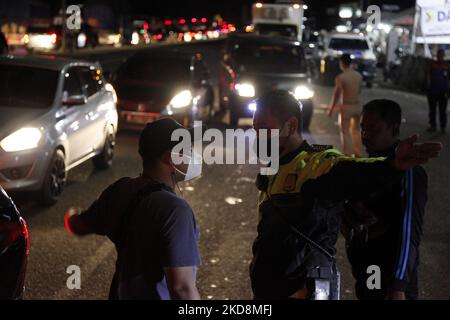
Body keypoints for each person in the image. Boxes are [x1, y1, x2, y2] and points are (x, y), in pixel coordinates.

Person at [250, 90, 442, 300]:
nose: (258, 136)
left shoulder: (318, 164)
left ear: (292, 126)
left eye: (264, 128)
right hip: (276, 290)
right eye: (255, 129)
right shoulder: (273, 169)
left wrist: (392, 165)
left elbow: (352, 172)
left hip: (311, 289)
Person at [65, 118, 202, 300]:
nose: (193, 155)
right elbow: (182, 288)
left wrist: (70, 217)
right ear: (170, 158)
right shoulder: (176, 211)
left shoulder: (120, 189)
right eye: (187, 150)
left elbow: (80, 225)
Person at [342, 100, 427, 300]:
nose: (365, 135)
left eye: (374, 129)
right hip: (368, 270)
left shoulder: (408, 170)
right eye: (363, 128)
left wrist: (398, 286)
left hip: (391, 278)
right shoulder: (367, 166)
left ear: (394, 128)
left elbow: (409, 232)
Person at [328, 54, 364, 157]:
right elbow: (359, 91)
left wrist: (331, 108)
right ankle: (359, 153)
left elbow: (336, 94)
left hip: (346, 106)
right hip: (357, 106)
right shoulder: (358, 76)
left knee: (345, 131)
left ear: (341, 63)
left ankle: (348, 154)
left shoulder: (341, 77)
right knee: (356, 130)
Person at [427, 48, 449, 134]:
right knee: (432, 110)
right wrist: (428, 86)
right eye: (439, 54)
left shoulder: (447, 66)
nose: (440, 56)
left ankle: (443, 127)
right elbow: (428, 75)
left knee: (442, 111)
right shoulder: (432, 65)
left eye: (441, 54)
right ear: (437, 55)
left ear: (443, 55)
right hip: (432, 91)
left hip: (443, 92)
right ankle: (433, 125)